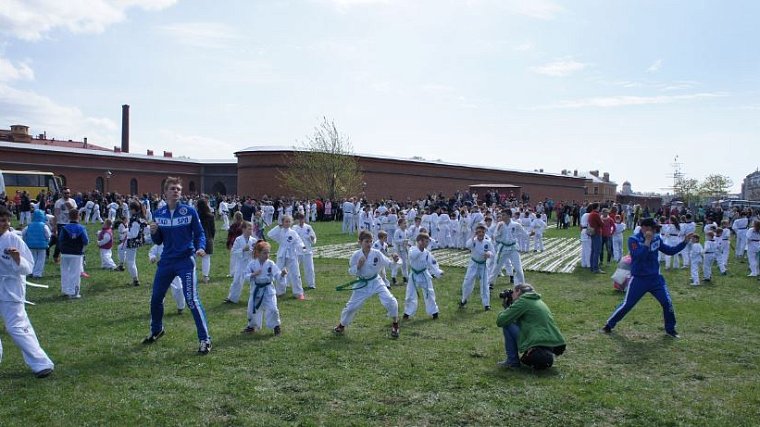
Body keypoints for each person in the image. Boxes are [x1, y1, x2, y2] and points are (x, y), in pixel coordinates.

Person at [143, 177, 211, 355]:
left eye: (178, 189)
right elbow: (159, 240)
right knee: (156, 298)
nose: (176, 191)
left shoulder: (189, 212)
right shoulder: (159, 214)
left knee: (192, 300)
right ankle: (157, 329)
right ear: (165, 192)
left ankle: (205, 339)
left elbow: (199, 233)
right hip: (166, 261)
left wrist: (201, 247)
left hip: (185, 261)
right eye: (172, 189)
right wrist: (154, 232)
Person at [602, 218, 692, 338]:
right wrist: (647, 242)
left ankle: (670, 329)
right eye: (654, 228)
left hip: (655, 279)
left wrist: (684, 242)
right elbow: (639, 257)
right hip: (639, 279)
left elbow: (669, 251)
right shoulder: (633, 240)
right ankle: (609, 325)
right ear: (645, 228)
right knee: (628, 304)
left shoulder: (656, 238)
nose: (656, 230)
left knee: (667, 302)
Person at [0, 206, 55, 378]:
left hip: (11, 289)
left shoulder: (14, 240)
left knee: (16, 326)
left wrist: (17, 259)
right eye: (1, 220)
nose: (4, 223)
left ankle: (41, 363)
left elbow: (28, 267)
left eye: (6, 220)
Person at [333, 230, 401, 338]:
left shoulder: (377, 253)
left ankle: (395, 324)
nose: (369, 244)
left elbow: (389, 265)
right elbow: (351, 271)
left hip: (376, 281)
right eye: (366, 242)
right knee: (351, 307)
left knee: (391, 301)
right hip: (362, 283)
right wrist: (358, 266)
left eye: (370, 241)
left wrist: (395, 260)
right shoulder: (356, 255)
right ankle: (341, 325)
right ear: (360, 242)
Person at [496, 283, 566, 370]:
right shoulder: (538, 301)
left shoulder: (523, 301)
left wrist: (507, 309)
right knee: (511, 322)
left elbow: (501, 321)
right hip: (553, 342)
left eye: (513, 293)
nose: (512, 295)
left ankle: (512, 361)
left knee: (507, 324)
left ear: (518, 291)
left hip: (538, 340)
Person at [243, 240, 287, 336]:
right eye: (264, 253)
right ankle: (251, 326)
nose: (267, 255)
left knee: (273, 308)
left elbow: (277, 275)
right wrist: (254, 274)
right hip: (256, 289)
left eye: (268, 253)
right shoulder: (252, 264)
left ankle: (276, 327)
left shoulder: (270, 263)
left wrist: (282, 274)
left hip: (268, 289)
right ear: (258, 253)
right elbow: (245, 276)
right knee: (252, 309)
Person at [402, 232, 443, 320]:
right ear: (419, 241)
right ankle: (407, 313)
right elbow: (413, 256)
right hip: (413, 275)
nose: (427, 243)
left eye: (428, 242)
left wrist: (438, 271)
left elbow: (432, 263)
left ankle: (434, 312)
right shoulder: (412, 250)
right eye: (425, 241)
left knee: (429, 293)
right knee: (410, 294)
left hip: (424, 274)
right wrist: (420, 249)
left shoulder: (427, 253)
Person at [267, 214, 306, 299]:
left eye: (289, 221)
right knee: (279, 272)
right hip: (281, 254)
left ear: (291, 223)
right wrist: (278, 226)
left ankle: (298, 292)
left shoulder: (293, 233)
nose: (287, 223)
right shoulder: (279, 231)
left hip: (292, 254)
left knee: (295, 273)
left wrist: (303, 247)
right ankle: (280, 291)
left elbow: (299, 241)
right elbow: (269, 234)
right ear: (282, 222)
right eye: (286, 221)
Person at [459, 223, 494, 311]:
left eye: (482, 232)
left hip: (483, 265)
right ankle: (464, 300)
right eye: (478, 232)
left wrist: (489, 254)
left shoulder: (488, 241)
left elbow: (492, 252)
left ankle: (486, 304)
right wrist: (473, 236)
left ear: (485, 232)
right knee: (467, 283)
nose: (481, 234)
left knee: (485, 284)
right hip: (473, 264)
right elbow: (467, 245)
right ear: (476, 233)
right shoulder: (473, 241)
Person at [58, 210, 89, 299]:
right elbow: (86, 241)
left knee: (65, 272)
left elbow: (60, 240)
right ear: (78, 216)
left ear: (69, 217)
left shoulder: (64, 228)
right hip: (76, 253)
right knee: (75, 273)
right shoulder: (81, 228)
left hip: (64, 253)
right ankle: (74, 292)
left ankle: (65, 290)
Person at [224, 221, 255, 304]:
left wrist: (254, 252)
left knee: (254, 280)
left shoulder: (254, 240)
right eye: (249, 229)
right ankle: (232, 298)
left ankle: (256, 297)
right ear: (243, 229)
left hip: (251, 263)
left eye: (252, 228)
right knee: (237, 280)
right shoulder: (238, 239)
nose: (251, 230)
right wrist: (242, 250)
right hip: (241, 263)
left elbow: (257, 253)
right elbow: (233, 251)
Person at [22, 209, 51, 278]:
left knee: (32, 258)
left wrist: (26, 240)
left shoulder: (29, 225)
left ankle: (31, 271)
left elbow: (23, 233)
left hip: (31, 245)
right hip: (42, 245)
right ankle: (37, 274)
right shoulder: (44, 225)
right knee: (41, 259)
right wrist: (47, 240)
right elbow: (48, 235)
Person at [293, 212, 317, 290]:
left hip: (307, 250)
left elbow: (313, 238)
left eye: (302, 219)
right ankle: (293, 283)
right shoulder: (294, 228)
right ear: (297, 220)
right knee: (295, 268)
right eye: (299, 219)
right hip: (297, 251)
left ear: (304, 219)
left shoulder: (308, 227)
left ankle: (311, 284)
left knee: (309, 268)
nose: (301, 221)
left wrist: (312, 239)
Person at [197, 199, 215, 284]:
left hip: (197, 237)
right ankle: (205, 276)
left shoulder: (196, 215)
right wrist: (212, 237)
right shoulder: (210, 216)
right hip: (207, 237)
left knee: (193, 257)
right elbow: (213, 229)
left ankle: (191, 274)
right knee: (206, 258)